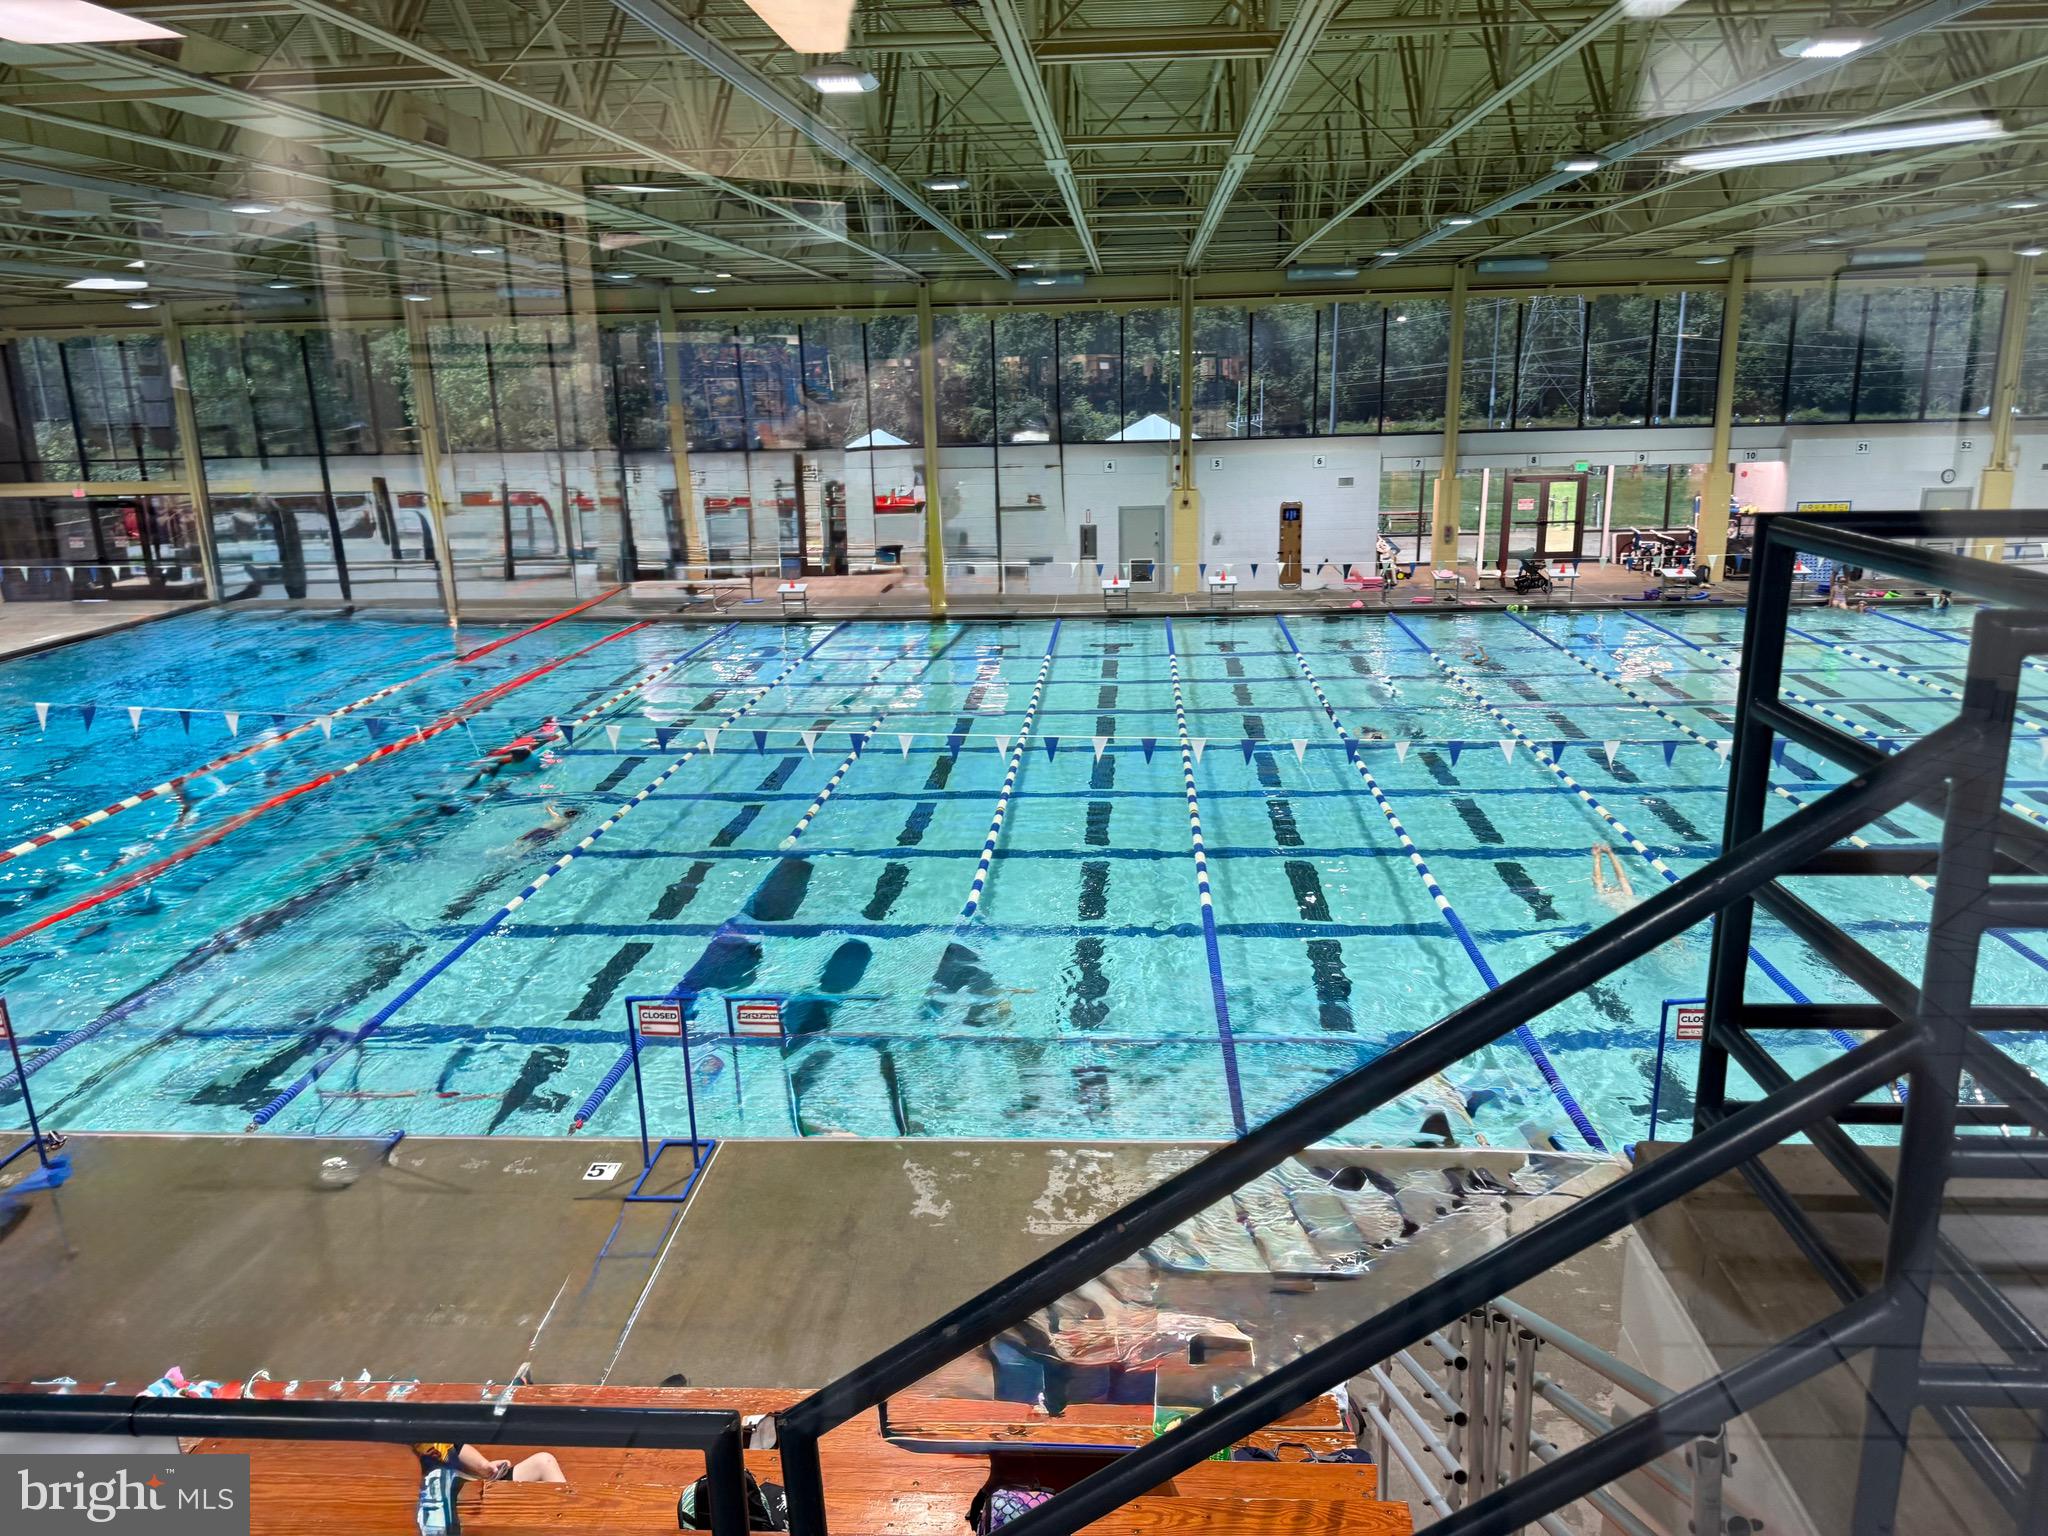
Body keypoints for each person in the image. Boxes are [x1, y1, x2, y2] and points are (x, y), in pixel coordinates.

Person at [413, 1441, 565, 1487]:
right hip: (453, 1507)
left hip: (479, 1488)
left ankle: (574, 1518)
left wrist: (484, 1466)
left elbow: (456, 1448)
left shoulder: (431, 1426)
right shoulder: (400, 1444)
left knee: (544, 1462)